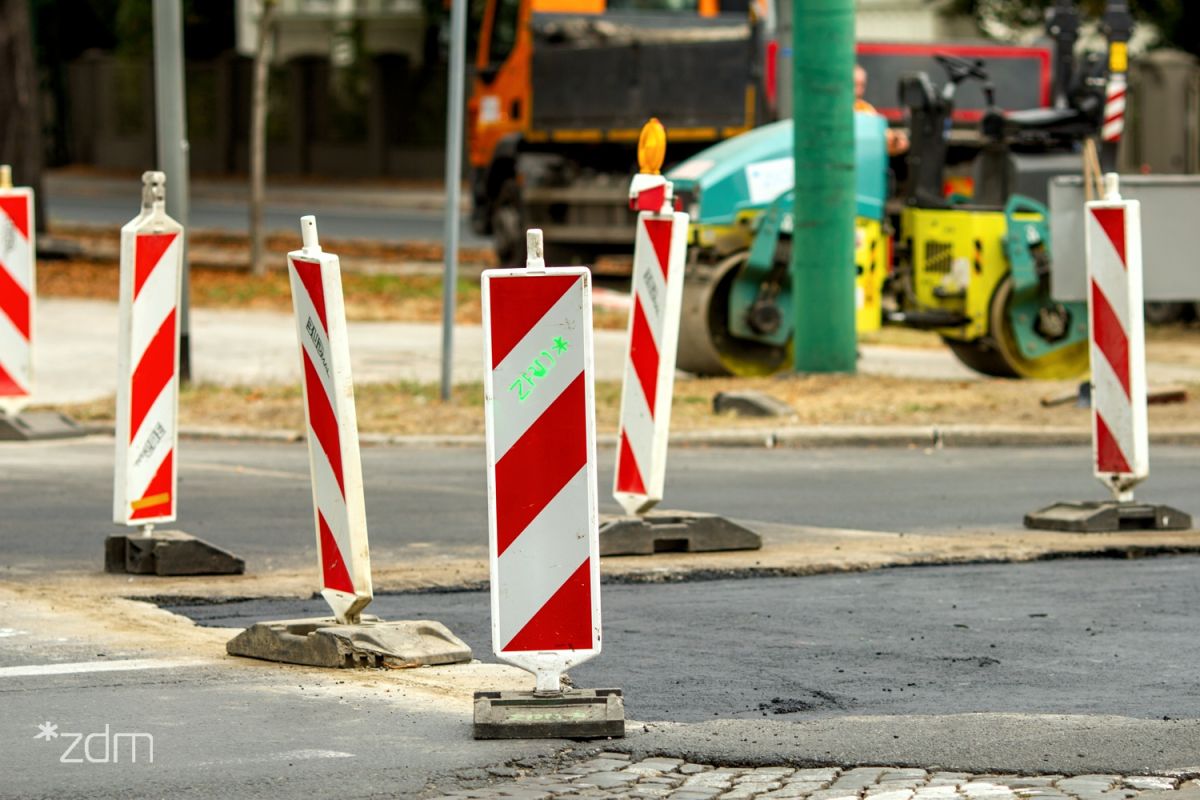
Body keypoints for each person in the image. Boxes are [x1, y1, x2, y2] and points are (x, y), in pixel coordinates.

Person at [855, 64, 909, 157]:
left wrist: (895, 141)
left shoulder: (865, 108)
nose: (858, 91)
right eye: (854, 84)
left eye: (862, 85)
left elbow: (883, 138)